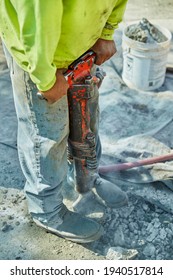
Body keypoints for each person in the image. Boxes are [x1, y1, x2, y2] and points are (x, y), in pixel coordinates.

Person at [0, 0, 128, 243]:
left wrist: (106, 30)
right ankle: (46, 209)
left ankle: (84, 177)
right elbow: (36, 11)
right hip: (39, 52)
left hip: (82, 38)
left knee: (87, 115)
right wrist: (45, 78)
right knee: (47, 133)